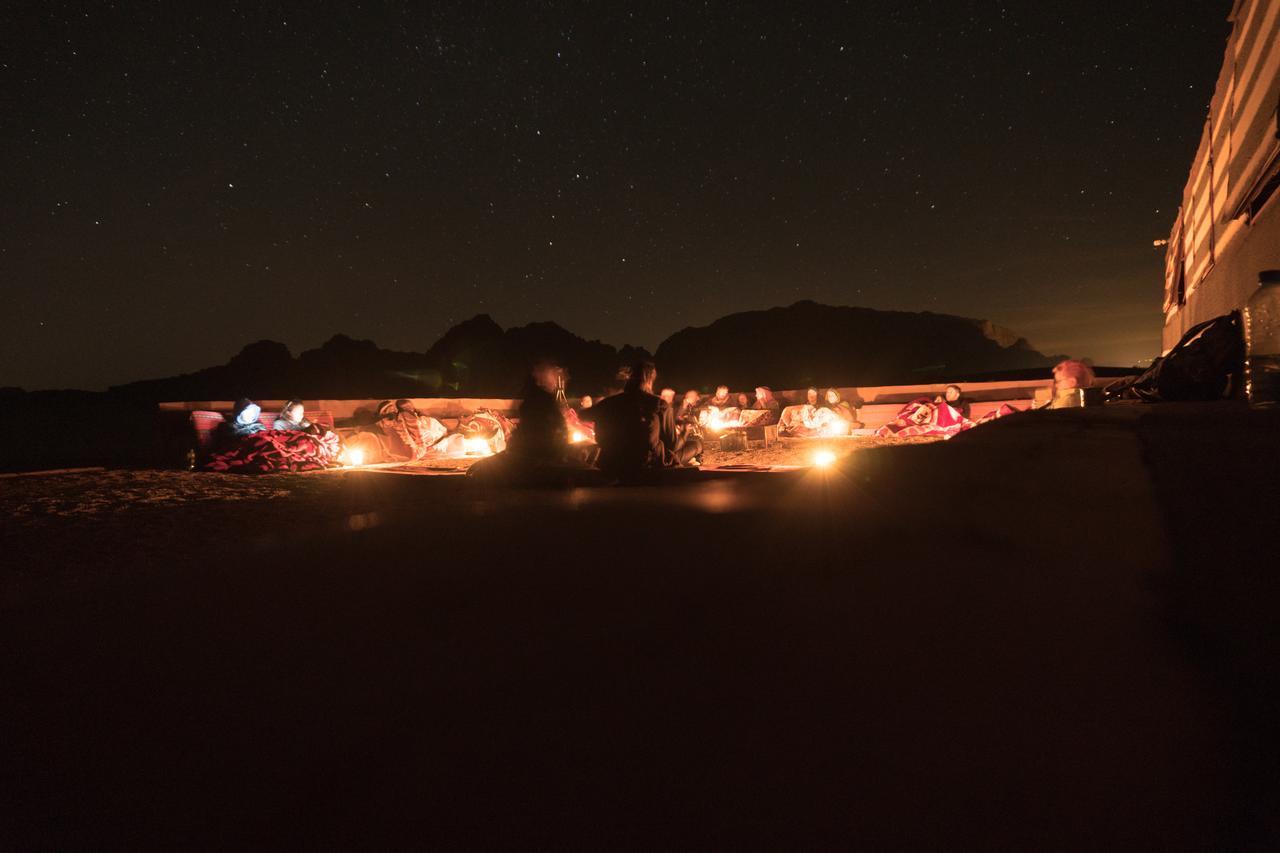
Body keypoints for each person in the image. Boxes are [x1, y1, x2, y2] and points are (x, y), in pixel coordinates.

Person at [582, 360, 701, 481]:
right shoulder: (659, 404)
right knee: (696, 444)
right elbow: (673, 445)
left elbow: (583, 415)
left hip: (610, 462)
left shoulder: (609, 402)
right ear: (650, 380)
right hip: (648, 464)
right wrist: (685, 432)